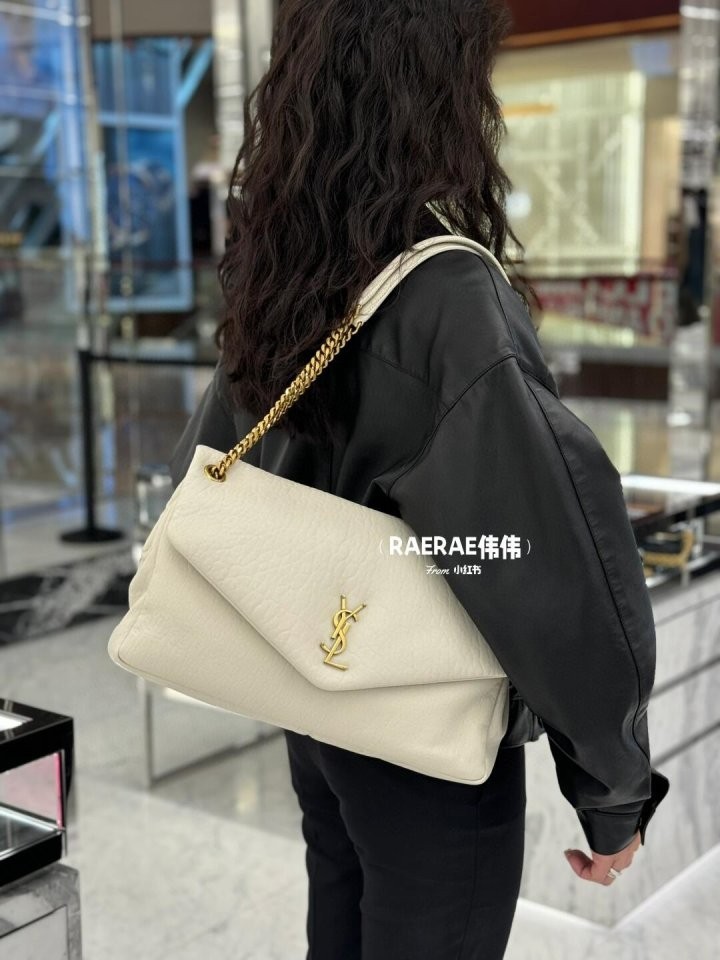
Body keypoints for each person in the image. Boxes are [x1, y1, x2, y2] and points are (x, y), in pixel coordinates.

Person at [168, 1, 670, 957]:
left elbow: (215, 461)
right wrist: (613, 788)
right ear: (440, 88)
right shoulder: (445, 296)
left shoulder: (287, 266)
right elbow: (541, 565)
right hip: (423, 734)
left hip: (312, 696)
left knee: (340, 925)